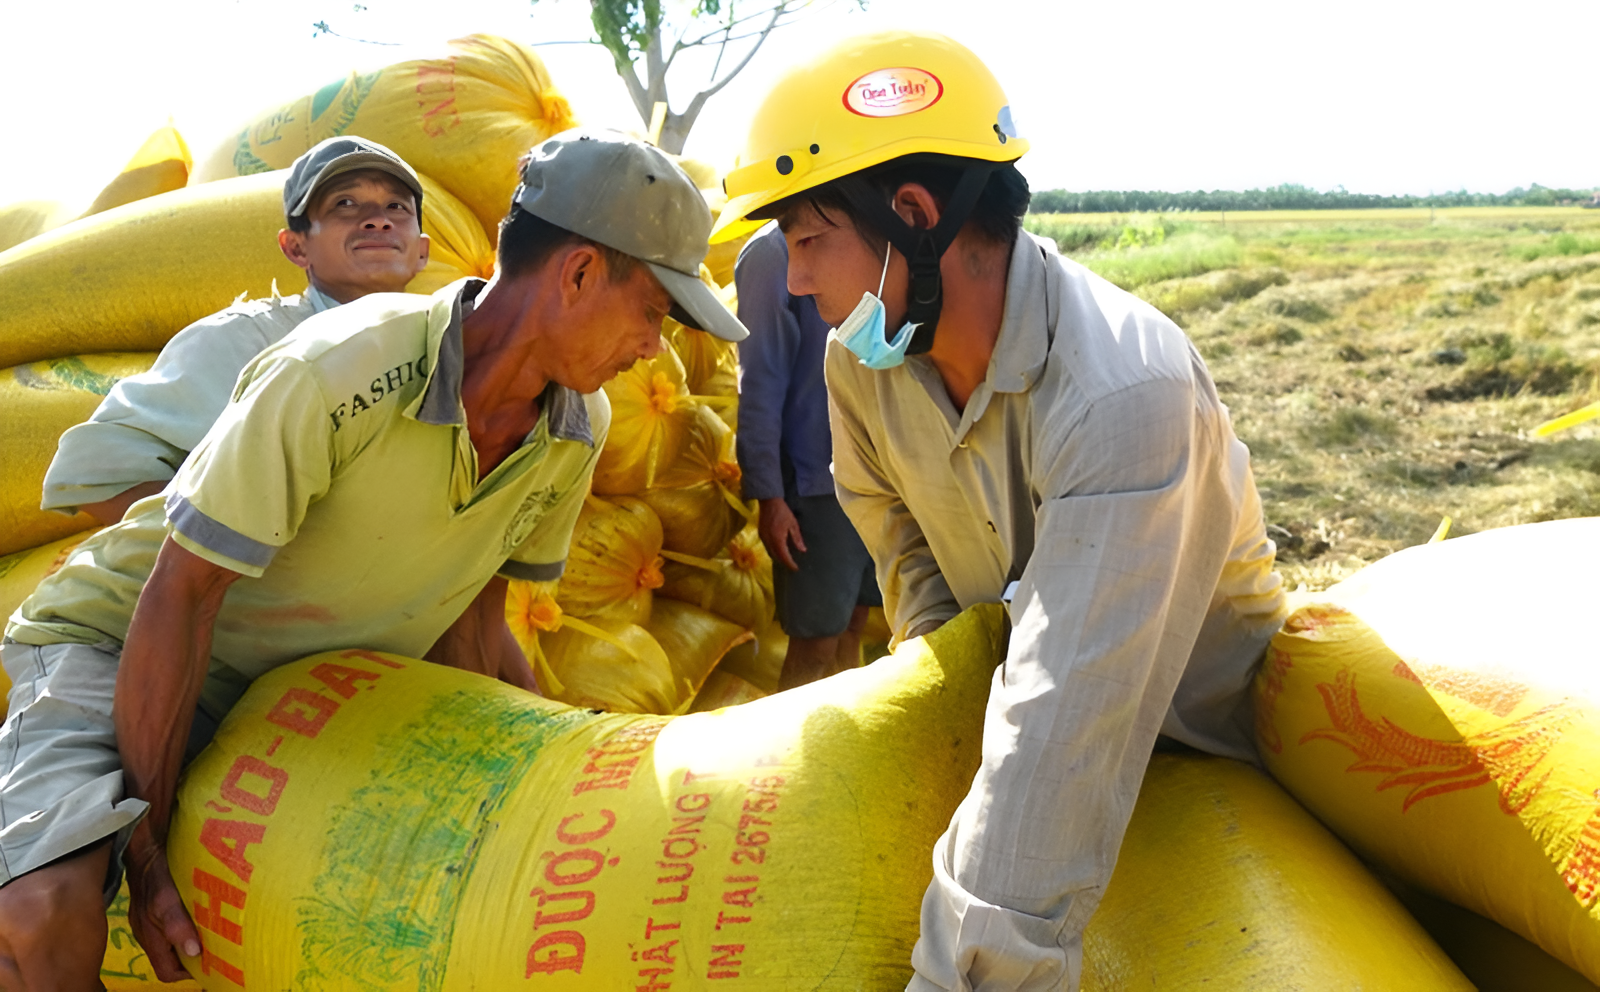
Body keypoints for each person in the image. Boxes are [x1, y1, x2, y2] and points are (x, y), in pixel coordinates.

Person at [0, 128, 748, 992]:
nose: (655, 346)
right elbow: (180, 593)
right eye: (655, 311)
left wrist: (564, 776)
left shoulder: (576, 429)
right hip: (125, 639)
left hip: (301, 675)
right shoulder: (340, 369)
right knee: (44, 913)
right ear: (579, 275)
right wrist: (146, 843)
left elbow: (473, 622)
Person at [712, 32, 1286, 992]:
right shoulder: (865, 368)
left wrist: (959, 976)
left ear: (913, 215)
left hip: (1195, 742)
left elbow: (1068, 721)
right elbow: (911, 563)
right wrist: (949, 727)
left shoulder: (1122, 393)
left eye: (810, 240)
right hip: (1044, 722)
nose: (798, 281)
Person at [42, 135, 433, 527]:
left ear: (422, 251)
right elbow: (93, 471)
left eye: (396, 207)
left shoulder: (450, 346)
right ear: (296, 247)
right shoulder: (248, 340)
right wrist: (238, 547)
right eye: (344, 204)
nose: (377, 218)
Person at [734, 222, 883, 689]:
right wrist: (770, 498)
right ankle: (789, 763)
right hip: (814, 483)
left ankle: (841, 754)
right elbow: (758, 381)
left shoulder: (857, 234)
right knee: (815, 644)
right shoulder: (769, 256)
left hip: (872, 472)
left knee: (853, 624)